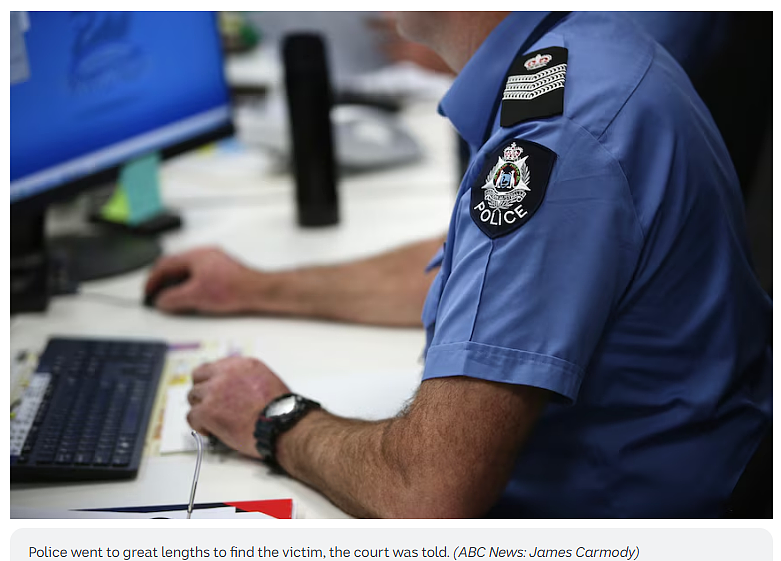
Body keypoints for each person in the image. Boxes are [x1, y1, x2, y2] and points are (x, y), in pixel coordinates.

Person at [146, 12, 772, 518]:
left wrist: (272, 418)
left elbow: (426, 496)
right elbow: (492, 276)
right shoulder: (581, 49)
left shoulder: (559, 136)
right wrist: (257, 287)